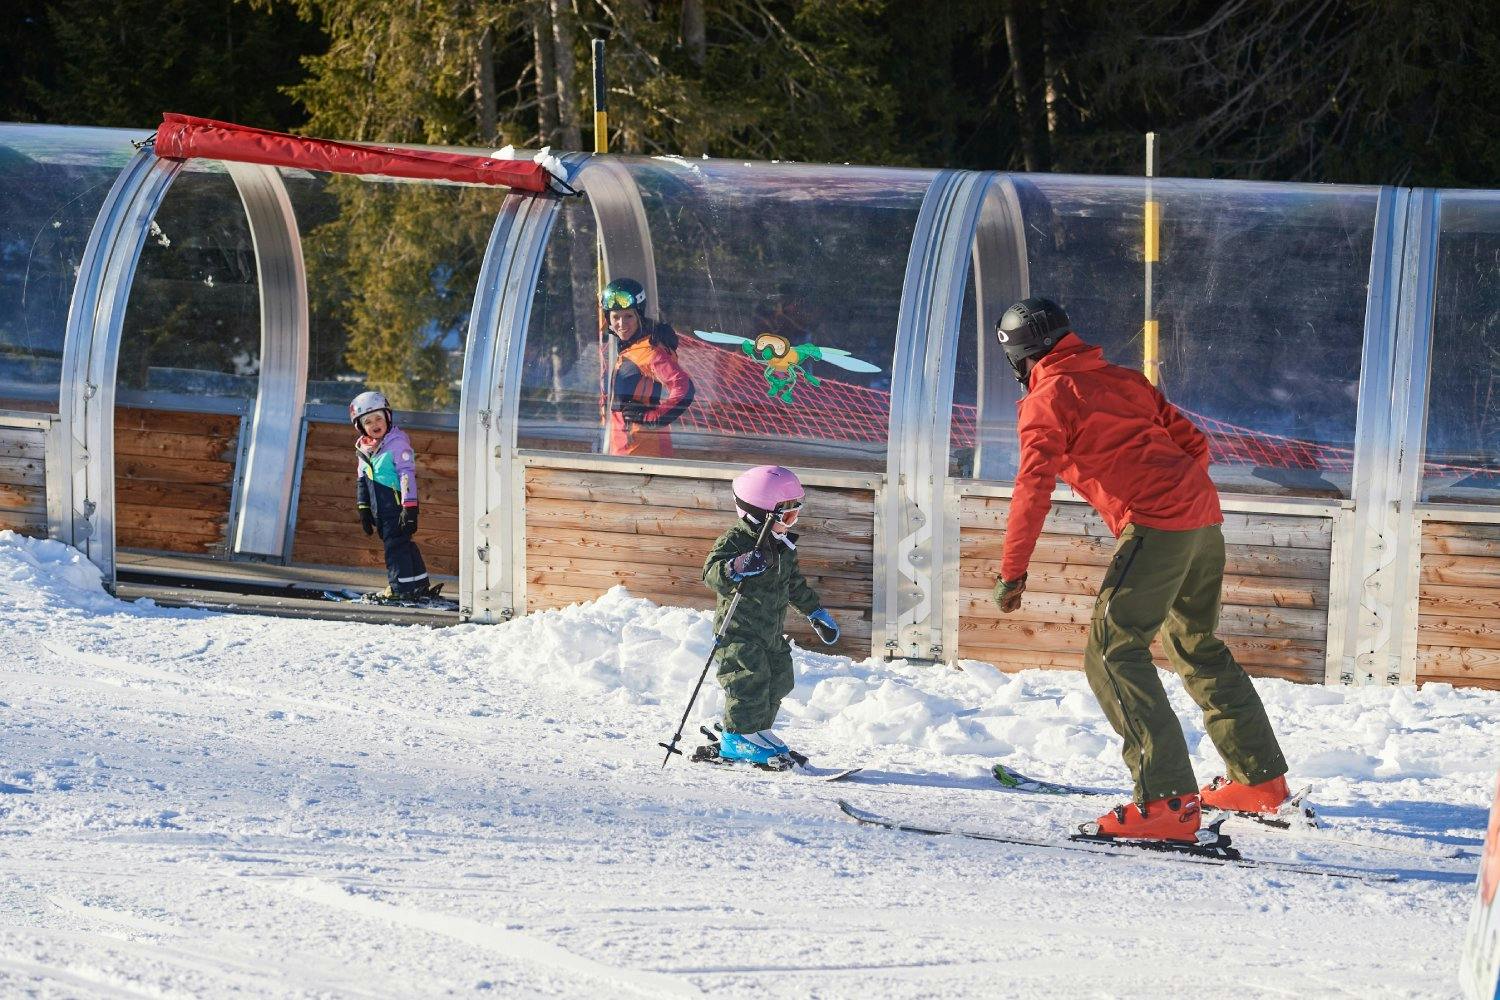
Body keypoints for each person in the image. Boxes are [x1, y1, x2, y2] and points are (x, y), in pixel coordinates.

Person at [990, 297, 1293, 844]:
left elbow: (1032, 487)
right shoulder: (1125, 380)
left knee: (1112, 651)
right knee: (1195, 643)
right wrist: (1177, 493)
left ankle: (1164, 802)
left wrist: (1013, 572)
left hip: (1159, 524)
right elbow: (1193, 444)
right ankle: (1259, 781)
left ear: (1018, 355)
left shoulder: (1047, 398)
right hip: (1203, 517)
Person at [702, 465, 841, 767]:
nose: (792, 523)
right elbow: (711, 573)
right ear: (760, 515)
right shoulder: (735, 541)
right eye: (787, 516)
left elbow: (794, 584)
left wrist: (815, 612)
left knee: (779, 679)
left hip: (770, 632)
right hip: (739, 633)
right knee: (747, 682)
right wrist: (736, 566)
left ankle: (758, 731)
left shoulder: (782, 548)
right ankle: (736, 737)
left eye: (796, 514)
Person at [351, 391, 433, 602]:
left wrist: (410, 508)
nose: (375, 424)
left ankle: (400, 588)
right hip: (380, 510)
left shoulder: (396, 444)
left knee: (394, 548)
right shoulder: (364, 450)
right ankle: (418, 584)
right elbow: (362, 480)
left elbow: (407, 476)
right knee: (403, 544)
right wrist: (364, 509)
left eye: (379, 417)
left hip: (397, 508)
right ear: (361, 427)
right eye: (368, 421)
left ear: (388, 417)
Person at [599, 278, 695, 457]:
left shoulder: (648, 351)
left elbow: (684, 388)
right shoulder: (628, 349)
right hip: (623, 450)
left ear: (639, 316)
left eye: (628, 316)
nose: (622, 324)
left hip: (645, 453)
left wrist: (652, 419)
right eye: (616, 317)